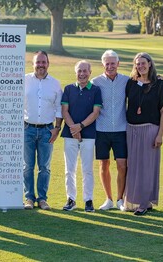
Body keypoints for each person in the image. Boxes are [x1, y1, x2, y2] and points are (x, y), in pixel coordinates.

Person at [124, 52, 163, 216]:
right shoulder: (131, 83)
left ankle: (144, 203)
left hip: (150, 130)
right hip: (131, 129)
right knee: (133, 166)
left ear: (150, 64)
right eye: (137, 64)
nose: (140, 66)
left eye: (143, 63)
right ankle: (135, 200)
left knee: (147, 167)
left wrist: (160, 134)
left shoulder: (160, 84)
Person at [23, 50, 63, 210]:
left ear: (48, 64)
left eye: (43, 62)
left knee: (44, 167)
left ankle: (42, 198)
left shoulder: (55, 83)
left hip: (47, 130)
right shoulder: (24, 80)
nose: (41, 65)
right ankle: (29, 198)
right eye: (38, 62)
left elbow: (59, 108)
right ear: (33, 64)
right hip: (27, 129)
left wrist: (57, 128)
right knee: (27, 166)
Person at [61, 60, 102, 212]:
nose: (82, 74)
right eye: (79, 71)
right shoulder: (69, 89)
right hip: (70, 135)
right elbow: (65, 111)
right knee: (69, 169)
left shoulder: (95, 90)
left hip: (89, 135)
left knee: (87, 169)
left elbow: (95, 112)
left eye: (85, 71)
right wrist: (75, 129)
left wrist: (81, 127)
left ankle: (88, 200)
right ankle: (71, 199)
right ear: (75, 72)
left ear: (90, 73)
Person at [91, 50, 129, 211]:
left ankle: (120, 199)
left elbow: (146, 80)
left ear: (118, 64)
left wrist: (158, 78)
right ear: (103, 65)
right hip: (101, 130)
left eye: (113, 63)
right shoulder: (96, 82)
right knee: (103, 165)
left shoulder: (127, 81)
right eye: (107, 63)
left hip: (121, 129)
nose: (110, 66)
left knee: (122, 165)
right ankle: (109, 199)